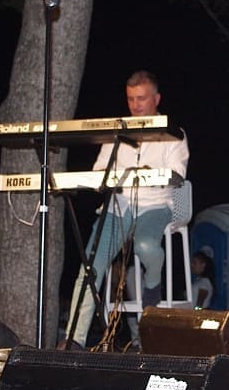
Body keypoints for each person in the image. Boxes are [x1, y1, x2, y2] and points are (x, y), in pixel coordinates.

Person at [66, 70, 190, 348]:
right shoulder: (116, 132)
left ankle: (152, 284)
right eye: (131, 99)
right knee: (90, 267)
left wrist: (146, 174)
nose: (136, 105)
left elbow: (177, 173)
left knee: (145, 246)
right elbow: (100, 169)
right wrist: (109, 177)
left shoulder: (174, 134)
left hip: (155, 206)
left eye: (142, 98)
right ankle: (75, 339)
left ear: (156, 99)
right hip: (117, 208)